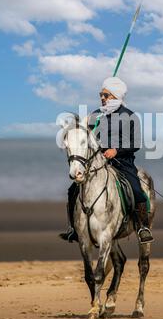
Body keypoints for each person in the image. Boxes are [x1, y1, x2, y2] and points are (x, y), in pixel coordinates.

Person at [60, 76, 154, 244]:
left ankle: (142, 227)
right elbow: (84, 138)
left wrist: (116, 150)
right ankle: (73, 228)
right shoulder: (95, 115)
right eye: (101, 95)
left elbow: (136, 143)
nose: (102, 98)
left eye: (106, 95)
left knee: (137, 190)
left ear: (116, 96)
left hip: (123, 163)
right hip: (97, 163)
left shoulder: (131, 116)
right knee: (72, 190)